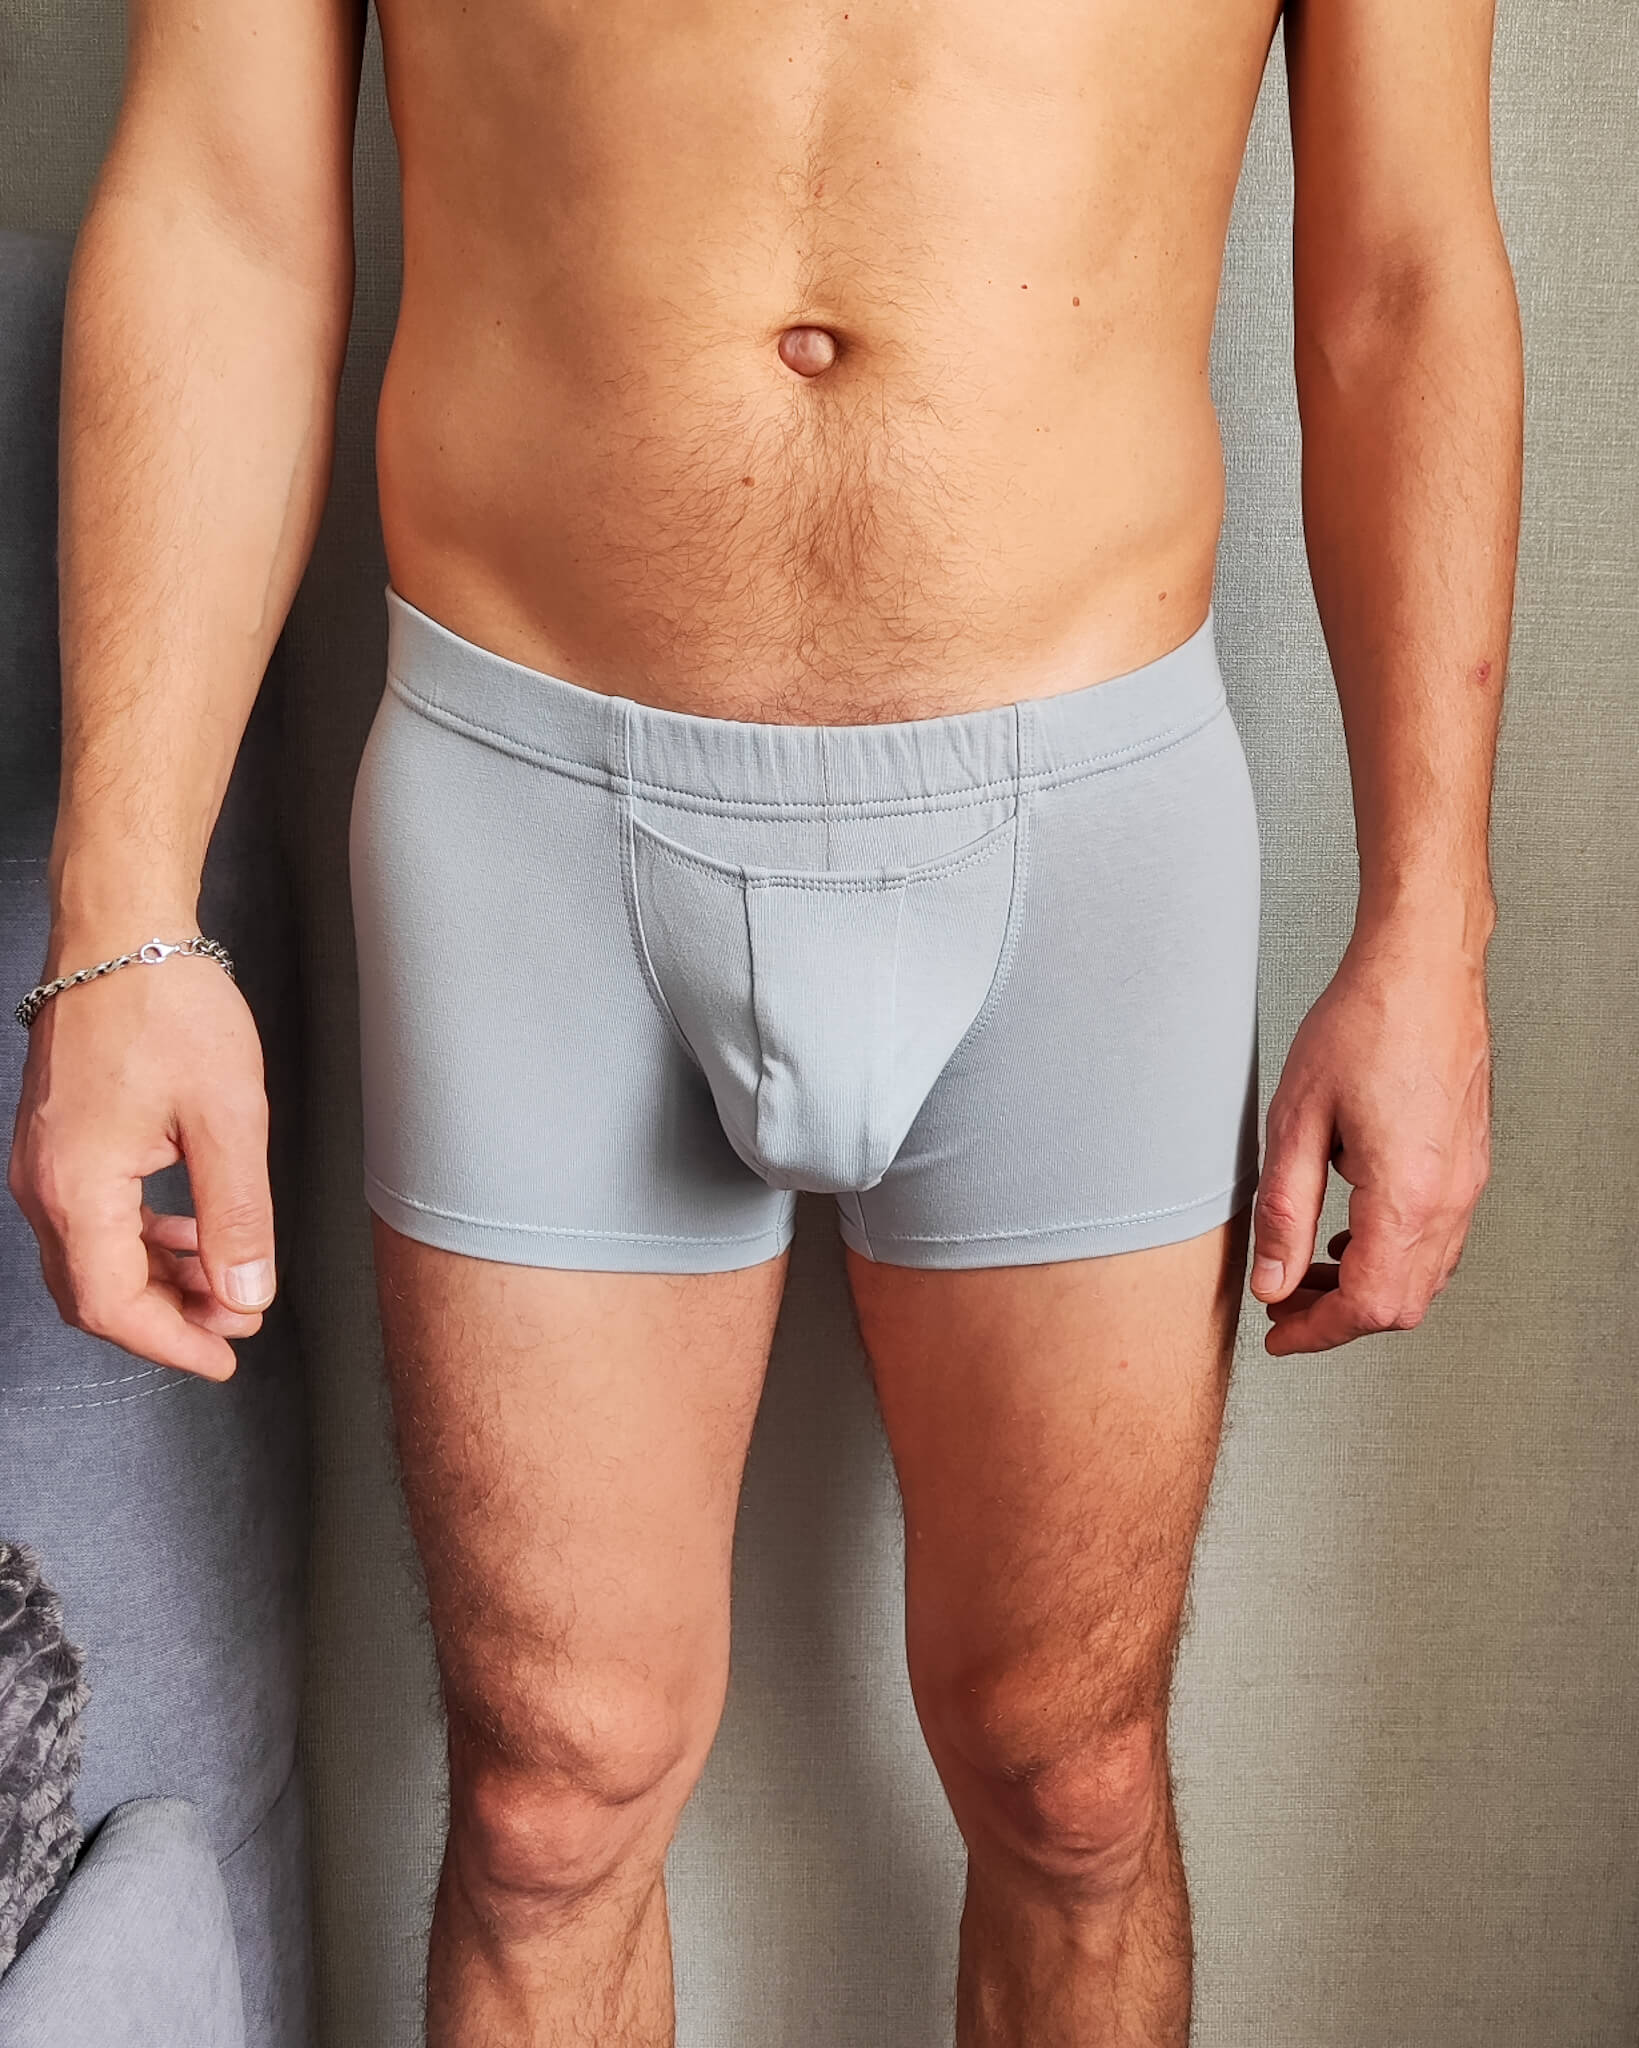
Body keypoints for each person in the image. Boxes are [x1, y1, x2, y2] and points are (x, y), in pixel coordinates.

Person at [6, 0, 1520, 2037]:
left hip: (1086, 821)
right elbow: (224, 203)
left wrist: (1429, 926)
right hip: (525, 804)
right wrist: (119, 915)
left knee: (1068, 1776)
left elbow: (1401, 274)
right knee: (551, 1804)